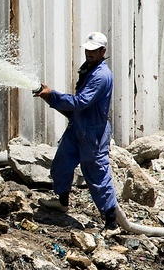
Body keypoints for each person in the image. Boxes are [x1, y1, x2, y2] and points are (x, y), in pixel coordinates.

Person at [32, 31, 120, 230]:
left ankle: (111, 222)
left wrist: (52, 96)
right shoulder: (89, 68)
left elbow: (80, 102)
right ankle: (62, 201)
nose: (88, 54)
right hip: (78, 127)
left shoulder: (101, 76)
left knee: (96, 175)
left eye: (93, 51)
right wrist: (50, 98)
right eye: (87, 50)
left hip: (92, 134)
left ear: (102, 51)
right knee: (62, 164)